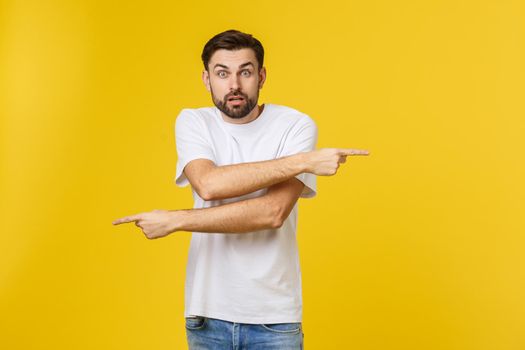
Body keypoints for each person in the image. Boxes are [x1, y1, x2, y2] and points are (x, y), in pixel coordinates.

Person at [113, 29, 369, 350]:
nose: (234, 85)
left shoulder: (295, 125)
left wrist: (176, 220)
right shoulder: (194, 122)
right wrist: (301, 162)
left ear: (261, 76)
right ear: (207, 79)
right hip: (207, 315)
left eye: (245, 72)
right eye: (222, 73)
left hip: (273, 319)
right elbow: (208, 184)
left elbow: (272, 213)